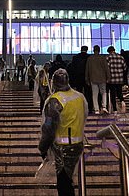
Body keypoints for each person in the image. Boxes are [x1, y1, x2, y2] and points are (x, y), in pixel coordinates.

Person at [38, 68, 88, 196]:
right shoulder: (79, 96)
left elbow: (49, 128)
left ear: (54, 82)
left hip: (63, 147)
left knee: (64, 183)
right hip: (78, 144)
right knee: (68, 181)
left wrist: (43, 148)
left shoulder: (55, 100)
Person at [85, 45, 110, 114]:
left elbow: (87, 69)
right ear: (99, 50)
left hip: (93, 79)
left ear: (93, 50)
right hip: (102, 79)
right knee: (104, 93)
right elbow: (106, 68)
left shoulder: (90, 58)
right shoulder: (102, 58)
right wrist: (108, 77)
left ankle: (96, 109)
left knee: (94, 94)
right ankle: (104, 107)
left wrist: (87, 78)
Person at [106, 46, 127, 113]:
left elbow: (106, 68)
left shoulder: (108, 57)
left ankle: (115, 109)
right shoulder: (121, 57)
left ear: (109, 51)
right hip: (120, 79)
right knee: (119, 92)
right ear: (114, 50)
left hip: (111, 79)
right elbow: (125, 67)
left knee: (112, 94)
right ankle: (122, 101)